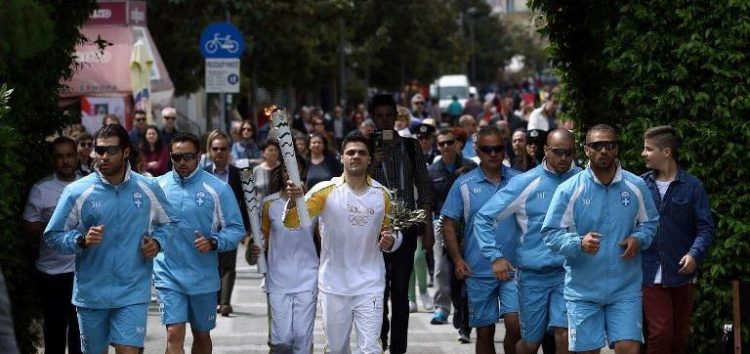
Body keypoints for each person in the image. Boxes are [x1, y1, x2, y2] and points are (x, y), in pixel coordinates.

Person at [44, 124, 175, 354]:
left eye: (111, 150)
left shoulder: (148, 187)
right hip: (91, 294)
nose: (103, 156)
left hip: (132, 291)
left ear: (125, 152)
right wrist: (80, 240)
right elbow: (53, 235)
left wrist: (158, 242)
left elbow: (170, 223)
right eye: (99, 150)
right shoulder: (77, 191)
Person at [541, 124, 659, 353]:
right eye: (597, 145)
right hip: (583, 291)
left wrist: (638, 239)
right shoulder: (569, 189)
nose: (604, 150)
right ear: (586, 150)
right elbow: (550, 233)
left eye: (609, 145)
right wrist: (578, 243)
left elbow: (650, 223)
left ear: (616, 149)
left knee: (628, 348)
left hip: (625, 288)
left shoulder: (636, 185)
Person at [284, 134, 402, 354]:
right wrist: (293, 200)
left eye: (361, 153)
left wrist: (391, 241)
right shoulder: (324, 191)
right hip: (334, 286)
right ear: (341, 157)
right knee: (337, 349)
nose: (355, 156)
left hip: (370, 284)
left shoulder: (383, 195)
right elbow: (293, 222)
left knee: (371, 349)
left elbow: (392, 233)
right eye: (350, 152)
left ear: (369, 159)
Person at [473, 129, 581, 354]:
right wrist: (495, 256)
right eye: (558, 152)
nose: (563, 158)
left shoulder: (584, 180)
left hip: (570, 273)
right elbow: (483, 218)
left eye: (568, 153)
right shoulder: (526, 182)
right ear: (546, 150)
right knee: (531, 343)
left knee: (565, 336)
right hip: (533, 276)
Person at [155, 132, 245, 354]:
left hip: (203, 276)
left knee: (201, 334)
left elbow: (236, 229)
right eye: (177, 157)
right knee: (174, 333)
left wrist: (214, 243)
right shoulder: (158, 187)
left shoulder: (218, 189)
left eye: (188, 156)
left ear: (198, 156)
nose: (182, 162)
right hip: (168, 273)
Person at [442, 125, 522, 354]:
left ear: (504, 150)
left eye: (498, 148)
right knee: (484, 332)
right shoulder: (464, 184)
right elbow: (448, 222)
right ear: (477, 151)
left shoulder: (520, 181)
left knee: (515, 325)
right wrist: (458, 260)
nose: (493, 154)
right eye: (487, 149)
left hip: (515, 268)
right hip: (478, 269)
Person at [367, 93, 434, 354]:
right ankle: (378, 340)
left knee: (400, 293)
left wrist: (426, 227)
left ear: (396, 117)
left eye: (388, 115)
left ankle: (398, 348)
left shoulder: (410, 146)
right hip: (374, 229)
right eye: (379, 116)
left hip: (405, 225)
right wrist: (374, 163)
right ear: (373, 118)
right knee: (377, 290)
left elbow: (425, 188)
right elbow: (354, 183)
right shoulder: (366, 146)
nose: (384, 121)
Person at [640, 125, 714, 354]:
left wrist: (694, 254)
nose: (643, 154)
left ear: (667, 152)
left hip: (682, 274)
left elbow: (705, 228)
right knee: (660, 333)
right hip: (649, 274)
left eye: (648, 149)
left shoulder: (693, 187)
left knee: (679, 336)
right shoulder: (639, 185)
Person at [248, 156, 319, 353]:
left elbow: (324, 239)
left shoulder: (314, 202)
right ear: (282, 174)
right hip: (278, 279)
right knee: (282, 340)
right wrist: (255, 250)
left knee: (303, 337)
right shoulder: (268, 204)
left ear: (303, 173)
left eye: (296, 169)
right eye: (287, 170)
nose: (291, 174)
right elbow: (262, 239)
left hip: (308, 277)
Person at [23, 137, 82, 354]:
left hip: (82, 272)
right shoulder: (41, 189)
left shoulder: (90, 184)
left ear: (76, 157)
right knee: (55, 335)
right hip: (51, 274)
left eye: (69, 155)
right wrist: (54, 225)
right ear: (53, 160)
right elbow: (29, 227)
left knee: (81, 336)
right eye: (60, 156)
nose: (65, 161)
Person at [427, 129, 476, 344]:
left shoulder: (471, 166)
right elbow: (428, 201)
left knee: (467, 270)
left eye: (450, 142)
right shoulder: (432, 170)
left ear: (457, 144)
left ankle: (465, 319)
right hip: (441, 222)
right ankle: (445, 306)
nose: (446, 146)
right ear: (437, 146)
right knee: (443, 268)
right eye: (442, 143)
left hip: (469, 224)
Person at [203, 130, 251, 317]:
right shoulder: (202, 174)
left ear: (229, 150)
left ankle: (224, 303)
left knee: (228, 265)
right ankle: (215, 300)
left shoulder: (241, 175)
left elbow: (247, 203)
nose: (220, 152)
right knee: (211, 266)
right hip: (207, 227)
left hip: (230, 227)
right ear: (210, 150)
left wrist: (247, 229)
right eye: (216, 149)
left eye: (223, 148)